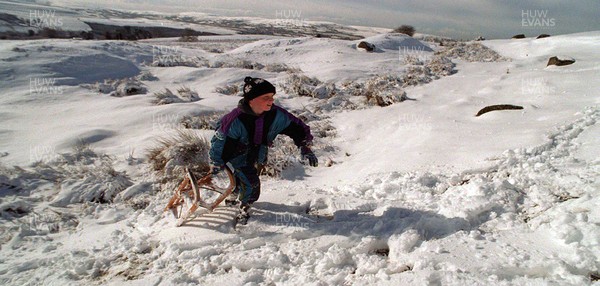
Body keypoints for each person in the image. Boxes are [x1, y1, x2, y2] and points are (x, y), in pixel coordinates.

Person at [209, 76, 318, 224]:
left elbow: (297, 127)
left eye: (272, 97)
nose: (271, 101)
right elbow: (219, 142)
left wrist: (304, 145)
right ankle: (244, 208)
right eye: (265, 97)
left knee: (242, 181)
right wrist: (217, 162)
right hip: (236, 157)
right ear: (251, 99)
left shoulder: (275, 114)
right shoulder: (234, 120)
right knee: (251, 184)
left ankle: (232, 196)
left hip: (257, 155)